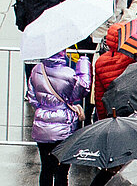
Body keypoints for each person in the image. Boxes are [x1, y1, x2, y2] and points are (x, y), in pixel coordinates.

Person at [28, 49, 91, 186]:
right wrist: (83, 64)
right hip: (64, 126)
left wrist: (45, 108)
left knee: (46, 168)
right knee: (62, 170)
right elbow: (82, 90)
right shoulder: (68, 73)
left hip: (42, 126)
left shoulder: (36, 70)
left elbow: (32, 98)